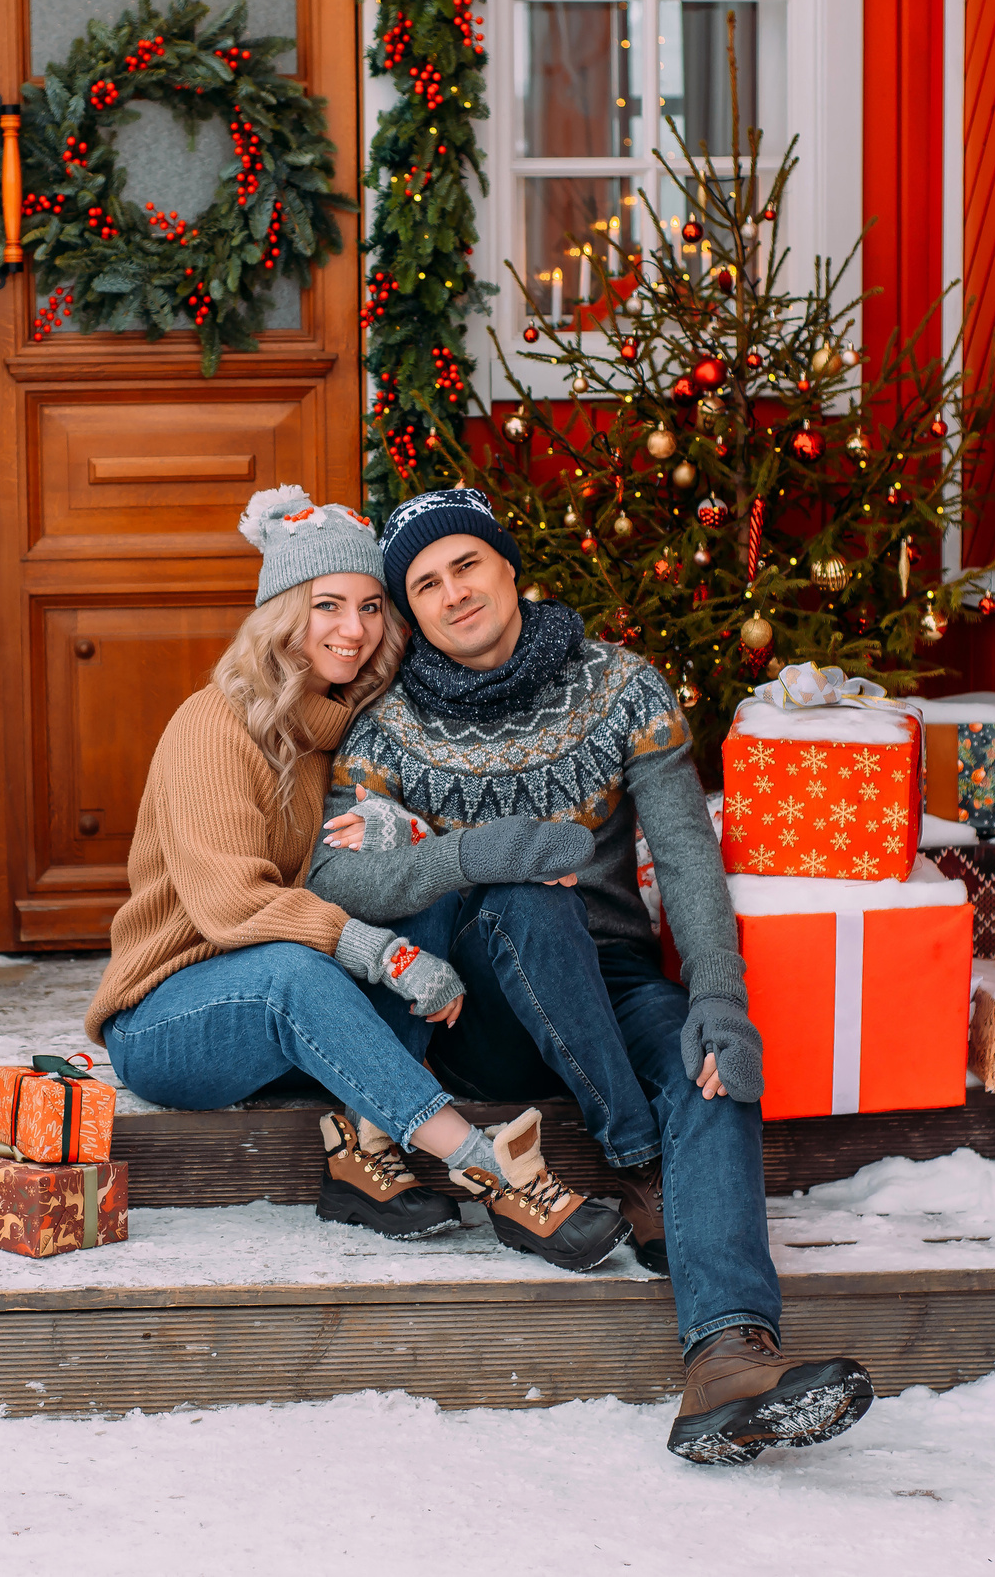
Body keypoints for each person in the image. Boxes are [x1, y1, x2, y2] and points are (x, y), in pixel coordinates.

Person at [309, 485, 873, 1465]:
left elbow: (688, 857)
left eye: (466, 565)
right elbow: (338, 874)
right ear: (412, 609)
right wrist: (479, 853)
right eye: (426, 584)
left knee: (709, 1066)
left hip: (612, 984)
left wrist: (718, 1000)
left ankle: (728, 1355)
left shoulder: (622, 688)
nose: (453, 594)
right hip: (469, 1008)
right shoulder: (385, 729)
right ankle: (633, 1153)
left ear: (507, 565)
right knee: (527, 897)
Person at [83, 485, 629, 1271]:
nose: (354, 629)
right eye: (328, 605)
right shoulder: (213, 724)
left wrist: (399, 826)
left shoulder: (339, 729)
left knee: (412, 890)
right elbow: (234, 908)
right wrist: (385, 956)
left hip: (286, 1008)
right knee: (292, 972)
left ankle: (364, 1147)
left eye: (373, 606)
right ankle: (490, 1168)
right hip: (170, 1015)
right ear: (281, 614)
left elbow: (368, 871)